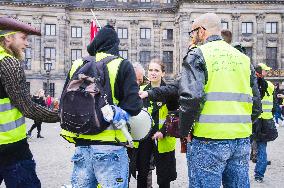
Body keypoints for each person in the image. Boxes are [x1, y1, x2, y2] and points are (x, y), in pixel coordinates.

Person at [179, 13, 261, 187]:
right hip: (240, 140)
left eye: (192, 32)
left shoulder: (198, 55)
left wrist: (184, 130)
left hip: (208, 140)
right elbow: (256, 105)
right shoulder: (243, 59)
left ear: (201, 31)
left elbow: (190, 97)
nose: (192, 37)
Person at [60, 24, 142, 188]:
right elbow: (134, 106)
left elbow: (64, 101)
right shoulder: (121, 64)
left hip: (81, 145)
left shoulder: (77, 63)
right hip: (110, 146)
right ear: (115, 45)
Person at [0, 16, 59, 187]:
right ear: (8, 37)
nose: (27, 44)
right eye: (23, 38)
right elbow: (27, 107)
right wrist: (61, 116)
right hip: (10, 146)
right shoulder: (9, 63)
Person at [135, 58, 177, 188]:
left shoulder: (169, 91)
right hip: (144, 138)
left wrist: (163, 131)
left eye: (156, 70)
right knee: (142, 174)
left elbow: (175, 114)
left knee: (164, 178)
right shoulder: (140, 90)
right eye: (151, 70)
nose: (153, 73)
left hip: (163, 138)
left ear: (163, 73)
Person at [253, 63, 278, 183]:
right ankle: (259, 175)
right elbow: (274, 106)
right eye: (265, 71)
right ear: (260, 72)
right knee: (262, 148)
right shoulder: (271, 85)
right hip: (266, 122)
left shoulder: (252, 84)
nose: (267, 72)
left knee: (243, 146)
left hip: (254, 120)